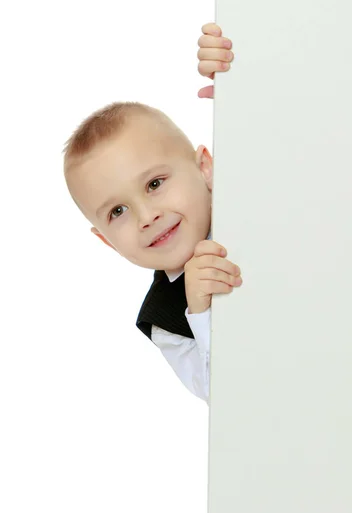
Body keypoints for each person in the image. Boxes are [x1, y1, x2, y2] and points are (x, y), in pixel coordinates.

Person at [63, 23, 237, 403]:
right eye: (118, 211)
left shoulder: (249, 193)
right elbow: (227, 403)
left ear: (204, 167)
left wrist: (240, 78)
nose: (146, 216)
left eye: (155, 184)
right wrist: (201, 310)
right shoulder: (165, 319)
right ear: (106, 241)